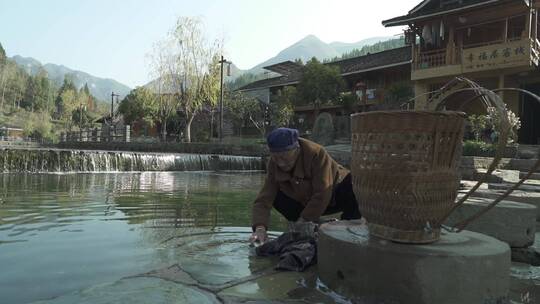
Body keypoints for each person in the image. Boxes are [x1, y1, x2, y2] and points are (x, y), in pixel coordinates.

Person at [250, 127, 361, 244]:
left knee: (354, 184)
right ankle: (313, 224)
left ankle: (348, 228)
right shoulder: (273, 164)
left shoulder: (317, 153)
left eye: (284, 158)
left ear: (297, 149)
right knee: (276, 197)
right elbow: (263, 200)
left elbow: (322, 193)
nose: (281, 163)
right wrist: (260, 229)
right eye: (276, 158)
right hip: (304, 202)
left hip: (332, 197)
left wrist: (303, 221)